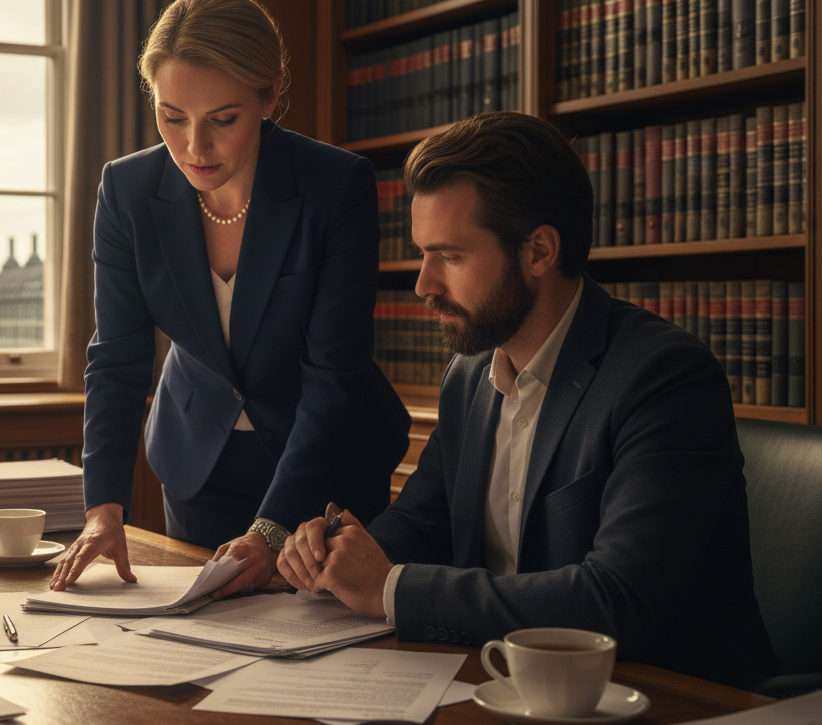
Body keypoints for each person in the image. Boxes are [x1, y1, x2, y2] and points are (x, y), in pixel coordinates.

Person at [278, 111, 778, 689]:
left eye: (450, 256)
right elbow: (425, 521)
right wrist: (336, 557)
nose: (424, 284)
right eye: (422, 254)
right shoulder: (468, 376)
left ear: (539, 250)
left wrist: (389, 588)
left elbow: (617, 603)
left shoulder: (664, 379)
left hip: (666, 699)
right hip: (502, 686)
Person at [50, 0, 410, 599]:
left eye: (223, 119)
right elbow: (117, 356)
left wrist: (270, 532)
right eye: (172, 117)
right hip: (199, 461)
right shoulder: (127, 191)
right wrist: (103, 508)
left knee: (326, 655)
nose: (194, 147)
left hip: (324, 463)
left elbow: (334, 373)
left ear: (269, 97)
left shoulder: (334, 186)